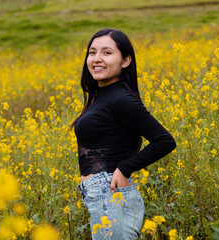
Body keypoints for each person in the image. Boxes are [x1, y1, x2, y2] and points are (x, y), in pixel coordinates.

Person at [72, 29, 176, 239]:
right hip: (101, 197)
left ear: (126, 60)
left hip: (110, 195)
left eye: (107, 53)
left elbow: (165, 141)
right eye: (92, 52)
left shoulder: (120, 98)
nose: (97, 59)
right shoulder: (102, 96)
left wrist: (124, 168)